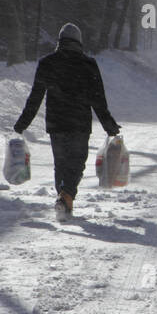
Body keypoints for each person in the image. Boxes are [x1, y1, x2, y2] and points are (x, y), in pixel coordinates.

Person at [14, 22, 121, 219]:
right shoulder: (88, 64)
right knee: (77, 164)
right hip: (79, 124)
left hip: (57, 124)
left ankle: (64, 201)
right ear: (79, 42)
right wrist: (109, 125)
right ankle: (66, 197)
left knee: (61, 164)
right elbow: (98, 99)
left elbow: (35, 97)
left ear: (60, 41)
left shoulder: (48, 63)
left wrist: (22, 123)